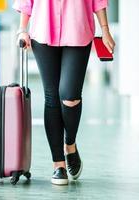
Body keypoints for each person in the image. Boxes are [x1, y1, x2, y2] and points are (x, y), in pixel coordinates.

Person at [12, 0, 115, 185]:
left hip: (78, 30)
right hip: (43, 32)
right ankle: (58, 164)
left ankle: (70, 144)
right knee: (51, 98)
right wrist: (22, 29)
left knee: (70, 96)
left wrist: (105, 29)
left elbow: (98, 1)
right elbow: (26, 2)